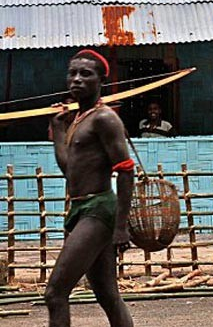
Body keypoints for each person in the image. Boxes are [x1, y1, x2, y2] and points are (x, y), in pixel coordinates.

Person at [45, 49, 134, 327]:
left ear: (101, 82)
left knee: (55, 293)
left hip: (98, 209)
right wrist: (58, 132)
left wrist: (121, 226)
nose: (77, 79)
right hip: (81, 207)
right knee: (107, 294)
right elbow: (70, 171)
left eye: (86, 74)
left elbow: (126, 170)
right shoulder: (78, 121)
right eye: (72, 73)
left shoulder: (104, 119)